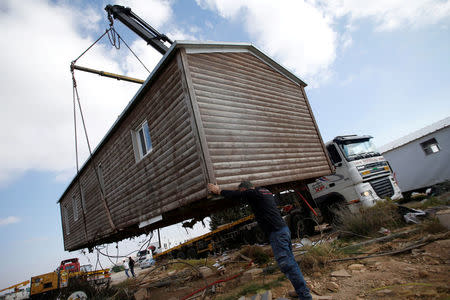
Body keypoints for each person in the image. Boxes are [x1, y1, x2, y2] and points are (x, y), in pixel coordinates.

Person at [208, 181, 312, 300]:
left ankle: (305, 296)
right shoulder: (265, 191)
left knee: (287, 264)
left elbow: (238, 195)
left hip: (277, 233)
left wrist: (219, 190)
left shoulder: (254, 193)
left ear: (245, 190)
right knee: (291, 262)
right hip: (283, 230)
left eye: (244, 192)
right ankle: (301, 290)